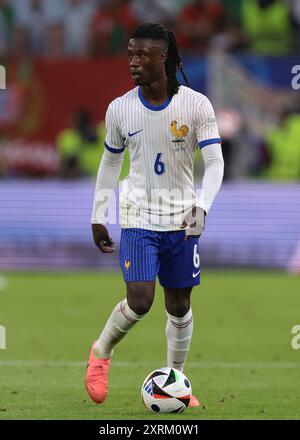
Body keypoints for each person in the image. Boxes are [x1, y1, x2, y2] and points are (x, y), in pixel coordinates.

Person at [85, 23, 224, 407]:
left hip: (182, 218)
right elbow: (110, 164)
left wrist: (203, 206)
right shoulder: (120, 109)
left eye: (142, 54)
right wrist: (99, 213)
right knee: (141, 300)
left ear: (163, 56)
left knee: (179, 305)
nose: (133, 62)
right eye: (130, 54)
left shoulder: (196, 105)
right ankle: (101, 352)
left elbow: (214, 162)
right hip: (138, 215)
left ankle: (175, 380)